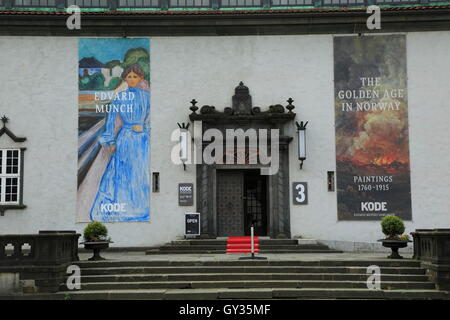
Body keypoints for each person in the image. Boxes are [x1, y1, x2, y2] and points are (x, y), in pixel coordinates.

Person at [90, 64, 150, 222]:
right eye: (129, 77)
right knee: (124, 173)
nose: (132, 80)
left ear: (140, 78)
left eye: (135, 77)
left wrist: (145, 130)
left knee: (140, 173)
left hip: (142, 140)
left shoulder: (147, 97)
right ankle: (125, 207)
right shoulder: (119, 98)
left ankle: (140, 207)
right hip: (125, 139)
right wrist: (110, 141)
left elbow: (151, 119)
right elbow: (110, 123)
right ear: (124, 78)